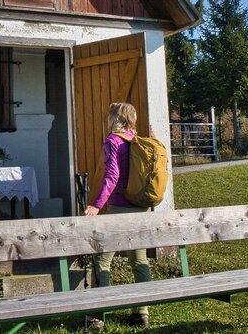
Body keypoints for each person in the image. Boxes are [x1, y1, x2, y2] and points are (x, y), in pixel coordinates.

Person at [83, 102, 152, 329]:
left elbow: (112, 175)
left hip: (120, 207)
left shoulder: (113, 141)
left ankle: (97, 316)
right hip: (140, 208)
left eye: (110, 114)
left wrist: (96, 205)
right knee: (139, 260)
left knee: (102, 260)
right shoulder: (138, 141)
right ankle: (141, 312)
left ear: (115, 118)